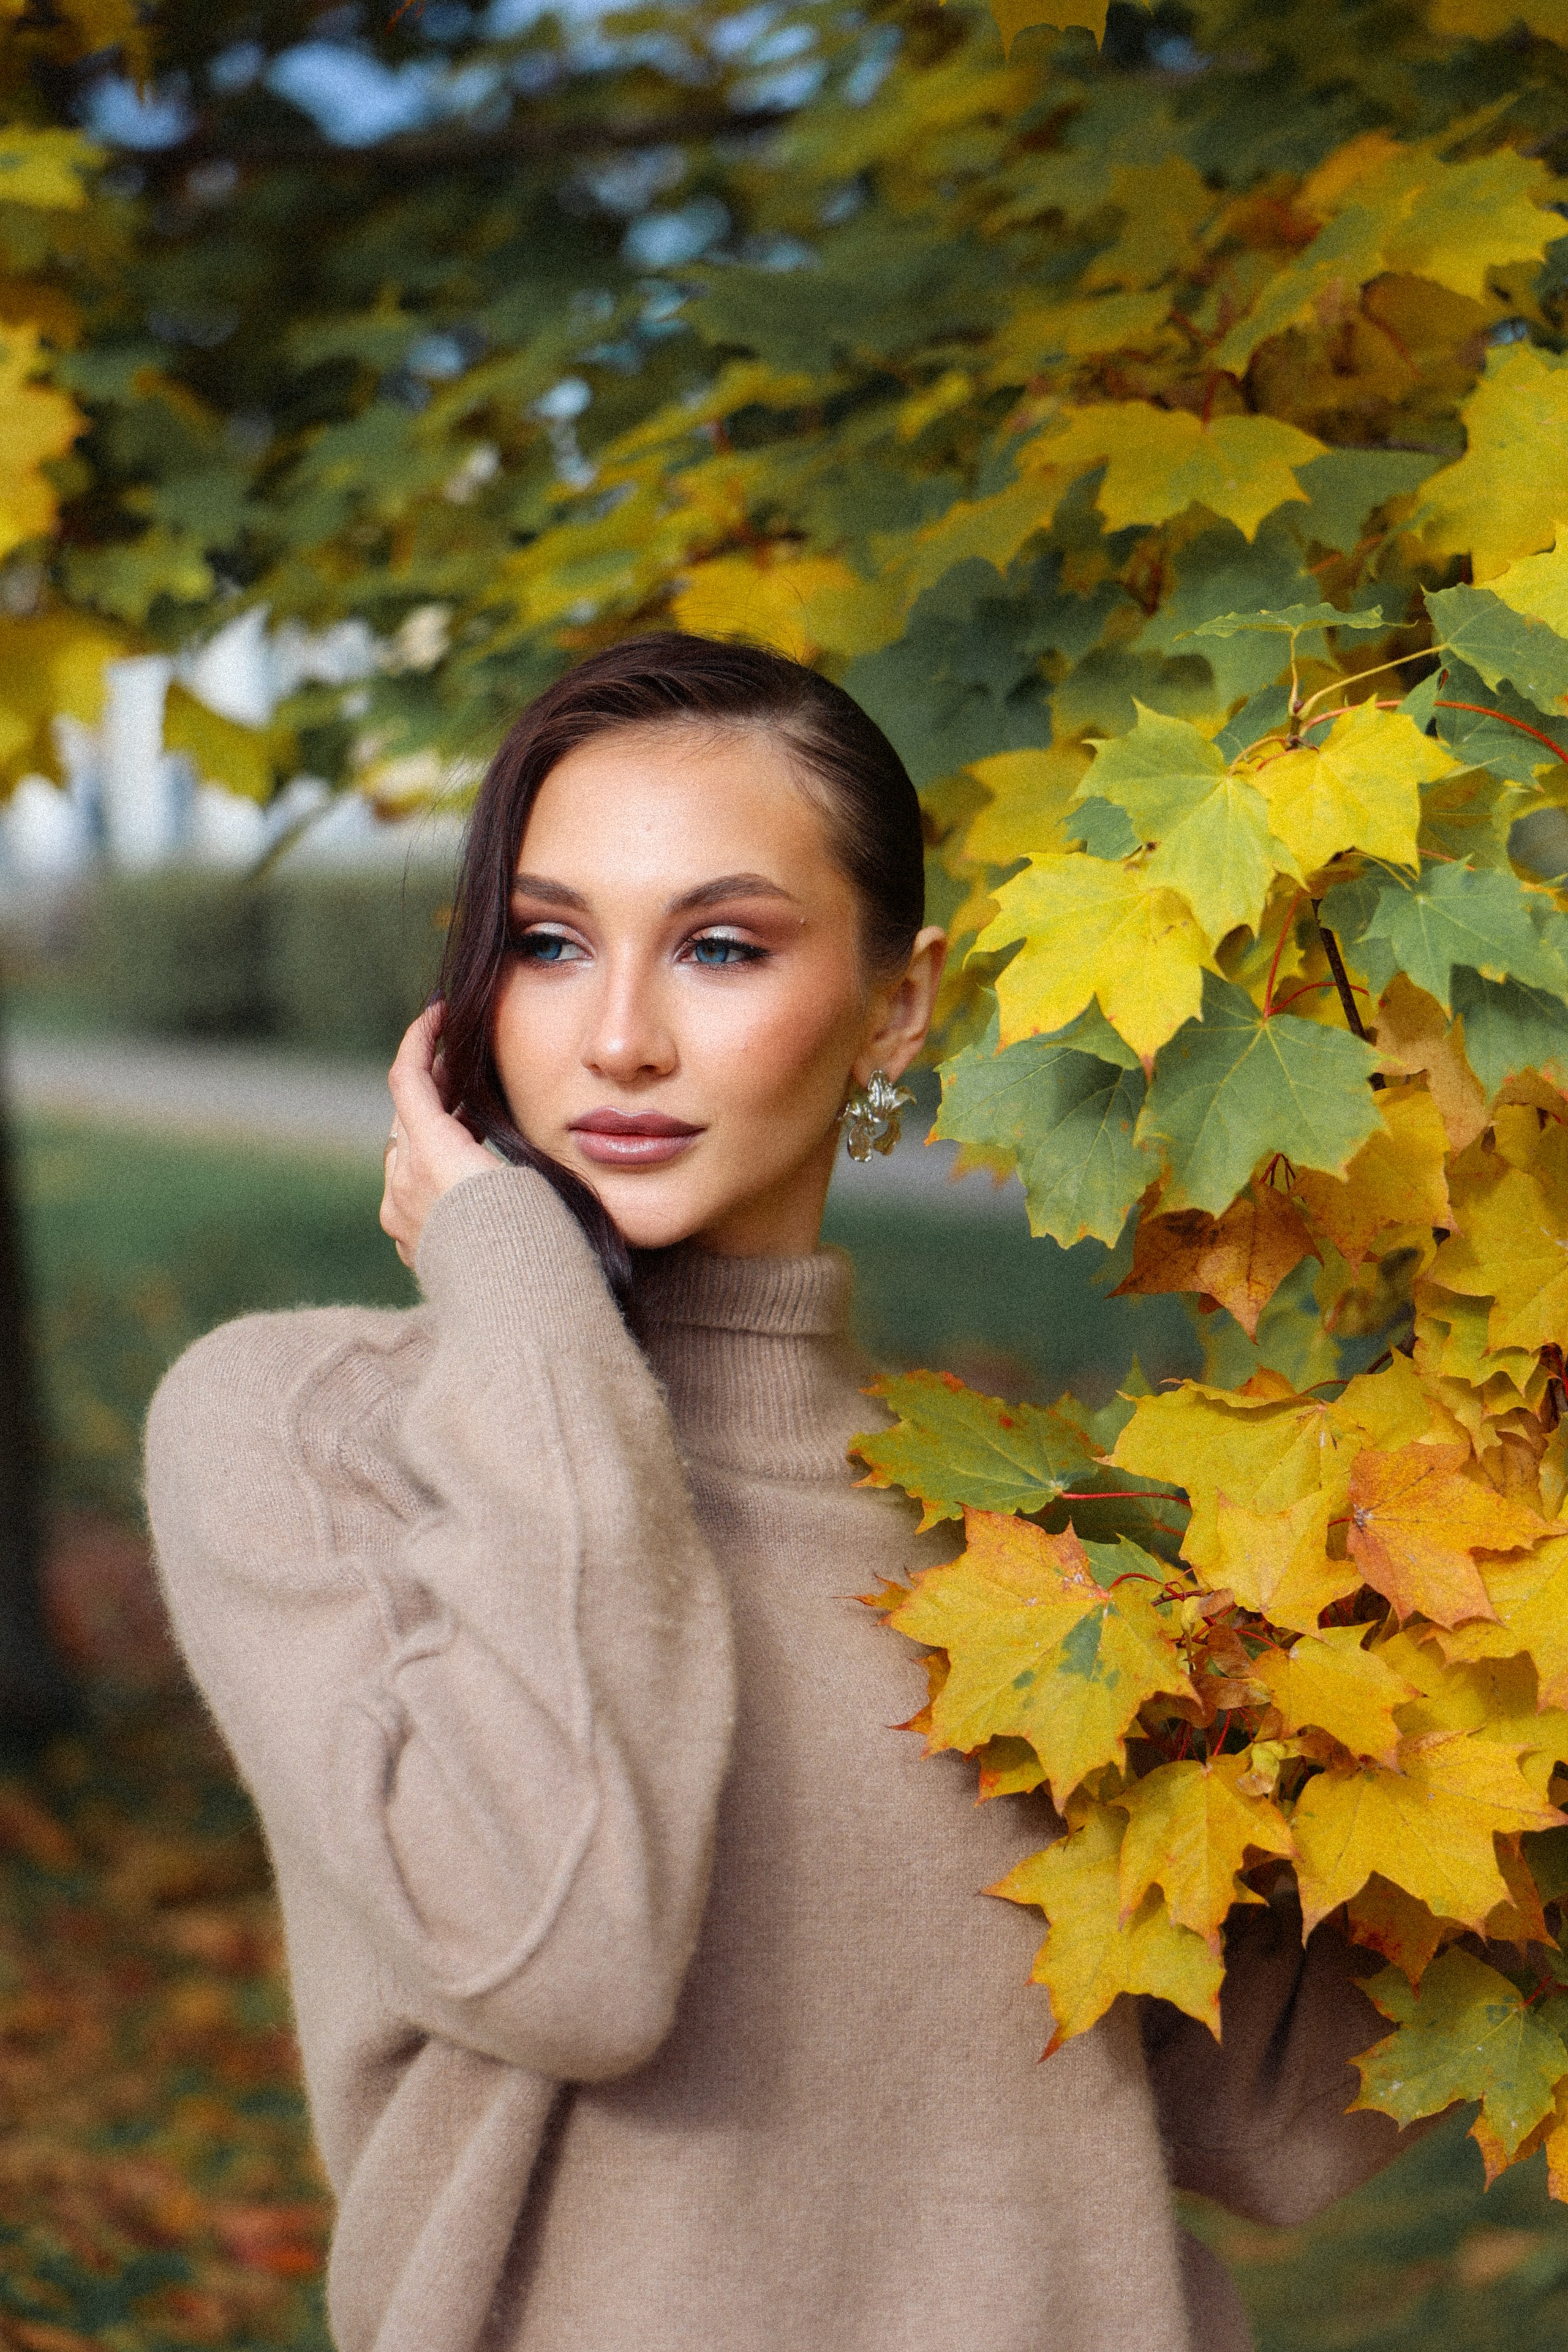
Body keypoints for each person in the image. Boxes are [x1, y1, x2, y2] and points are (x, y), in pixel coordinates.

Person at [145, 633, 1411, 2352]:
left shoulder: (1043, 1546)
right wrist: (515, 1289)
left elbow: (1276, 2124)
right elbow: (567, 1956)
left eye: (722, 947)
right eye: (548, 944)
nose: (619, 1038)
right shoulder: (312, 1439)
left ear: (899, 1005)